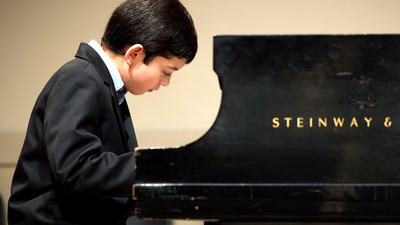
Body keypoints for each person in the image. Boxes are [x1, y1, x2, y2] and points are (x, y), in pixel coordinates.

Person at [8, 0, 197, 224]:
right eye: (167, 72)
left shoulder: (104, 85)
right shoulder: (80, 78)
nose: (166, 83)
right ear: (134, 54)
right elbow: (75, 169)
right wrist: (153, 165)